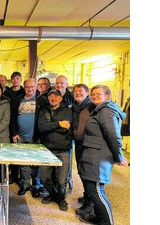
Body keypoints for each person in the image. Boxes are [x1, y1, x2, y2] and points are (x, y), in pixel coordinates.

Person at [77, 85, 128, 224]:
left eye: (98, 94)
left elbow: (113, 136)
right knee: (92, 189)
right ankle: (98, 218)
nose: (94, 96)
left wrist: (119, 156)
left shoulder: (106, 111)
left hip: (99, 158)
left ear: (107, 95)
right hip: (93, 155)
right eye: (93, 94)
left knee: (96, 191)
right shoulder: (99, 110)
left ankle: (107, 222)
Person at [38, 89, 72, 211]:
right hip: (46, 150)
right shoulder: (44, 111)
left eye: (56, 96)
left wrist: (51, 126)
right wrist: (58, 124)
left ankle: (61, 199)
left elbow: (66, 128)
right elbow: (42, 128)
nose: (53, 98)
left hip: (62, 149)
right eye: (50, 96)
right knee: (44, 178)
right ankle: (53, 195)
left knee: (62, 180)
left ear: (61, 98)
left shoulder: (67, 111)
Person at [10, 78, 44, 196]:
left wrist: (41, 135)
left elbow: (44, 119)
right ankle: (25, 185)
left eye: (32, 87)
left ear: (36, 87)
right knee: (23, 163)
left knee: (35, 164)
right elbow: (13, 117)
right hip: (21, 137)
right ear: (24, 87)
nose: (30, 89)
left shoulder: (41, 100)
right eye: (28, 87)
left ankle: (36, 186)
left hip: (35, 138)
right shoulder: (18, 99)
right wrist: (14, 133)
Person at [71, 84, 96, 217]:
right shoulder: (75, 106)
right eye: (75, 91)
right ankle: (87, 196)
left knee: (88, 174)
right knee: (81, 171)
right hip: (79, 144)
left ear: (87, 93)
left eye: (81, 91)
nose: (78, 93)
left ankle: (90, 205)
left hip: (88, 145)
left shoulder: (92, 106)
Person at [54, 75, 75, 191]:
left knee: (67, 163)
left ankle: (66, 183)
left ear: (67, 84)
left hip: (67, 136)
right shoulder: (53, 96)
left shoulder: (72, 98)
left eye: (62, 83)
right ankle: (55, 186)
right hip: (55, 134)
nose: (59, 85)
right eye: (57, 83)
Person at [5, 71, 25, 184]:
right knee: (10, 152)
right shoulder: (7, 92)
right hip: (8, 125)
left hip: (19, 126)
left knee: (19, 153)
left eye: (17, 78)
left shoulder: (24, 92)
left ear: (20, 79)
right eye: (13, 78)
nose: (15, 80)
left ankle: (21, 178)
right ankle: (12, 175)